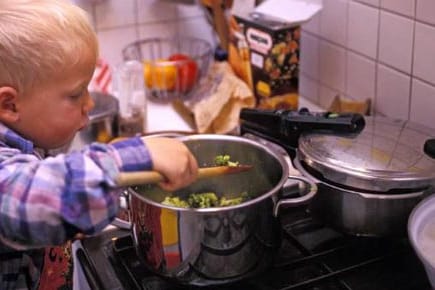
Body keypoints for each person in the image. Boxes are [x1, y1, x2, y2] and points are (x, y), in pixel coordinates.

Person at [0, 0, 199, 289]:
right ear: (9, 104)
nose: (89, 104)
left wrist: (107, 161)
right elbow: (35, 196)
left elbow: (56, 172)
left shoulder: (27, 134)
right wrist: (128, 158)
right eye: (76, 94)